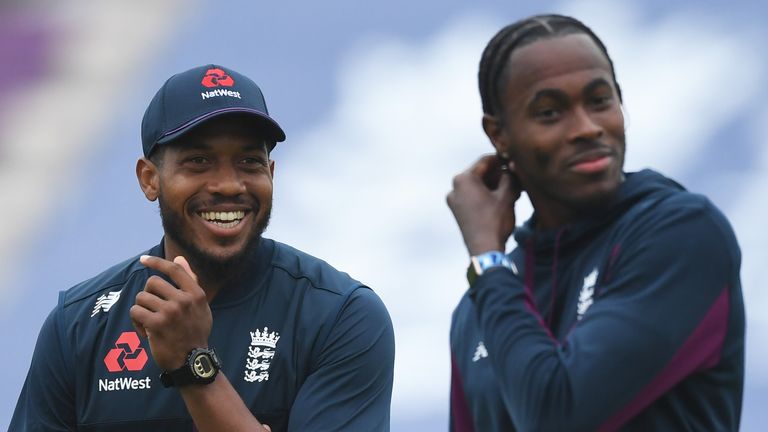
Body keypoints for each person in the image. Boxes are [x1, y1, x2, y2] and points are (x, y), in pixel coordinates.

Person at [11, 64, 395, 431]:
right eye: (199, 161)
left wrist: (193, 364)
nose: (229, 184)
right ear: (150, 179)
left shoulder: (341, 315)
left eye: (249, 161)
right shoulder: (77, 325)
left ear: (271, 174)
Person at [446, 14, 744, 431]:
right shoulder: (476, 310)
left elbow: (558, 415)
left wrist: (489, 264)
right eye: (550, 113)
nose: (587, 128)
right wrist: (491, 271)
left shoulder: (682, 236)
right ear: (499, 135)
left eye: (600, 101)